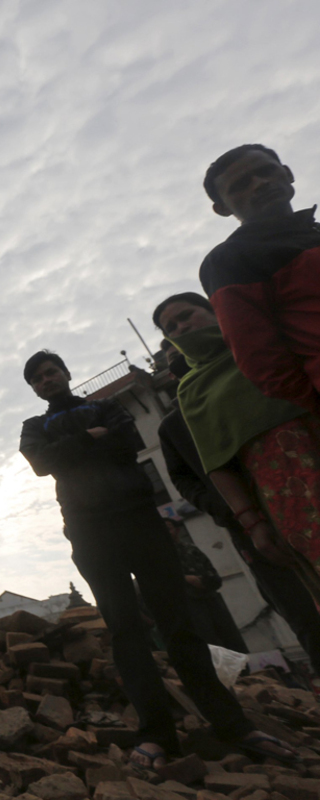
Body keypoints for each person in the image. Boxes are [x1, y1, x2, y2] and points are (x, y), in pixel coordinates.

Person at [18, 349, 292, 767]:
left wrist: (71, 448)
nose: (46, 380)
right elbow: (41, 463)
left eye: (51, 371)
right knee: (125, 630)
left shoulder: (105, 405)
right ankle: (157, 734)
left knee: (180, 625)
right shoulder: (34, 426)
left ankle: (233, 725)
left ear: (66, 373)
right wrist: (90, 438)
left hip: (141, 521)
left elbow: (128, 443)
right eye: (37, 378)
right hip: (89, 530)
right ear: (34, 389)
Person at [156, 337, 320, 671]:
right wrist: (224, 506)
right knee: (299, 610)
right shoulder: (174, 425)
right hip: (247, 526)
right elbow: (182, 479)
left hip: (297, 497)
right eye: (171, 355)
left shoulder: (253, 377)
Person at [153, 293, 320, 593]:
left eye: (187, 315)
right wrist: (250, 523)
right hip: (282, 493)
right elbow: (216, 462)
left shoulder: (263, 341)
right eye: (171, 327)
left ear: (214, 311)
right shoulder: (191, 391)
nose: (180, 327)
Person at [199, 144, 320, 412]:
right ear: (221, 209)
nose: (261, 183)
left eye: (267, 171)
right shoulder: (230, 259)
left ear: (287, 173)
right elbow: (261, 361)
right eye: (241, 185)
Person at [162, 518, 248, 654]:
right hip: (189, 606)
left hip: (211, 600)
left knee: (231, 641)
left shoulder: (191, 549)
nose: (166, 533)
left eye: (169, 528)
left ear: (177, 530)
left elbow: (215, 578)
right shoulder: (161, 557)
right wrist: (185, 579)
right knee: (210, 646)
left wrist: (203, 582)